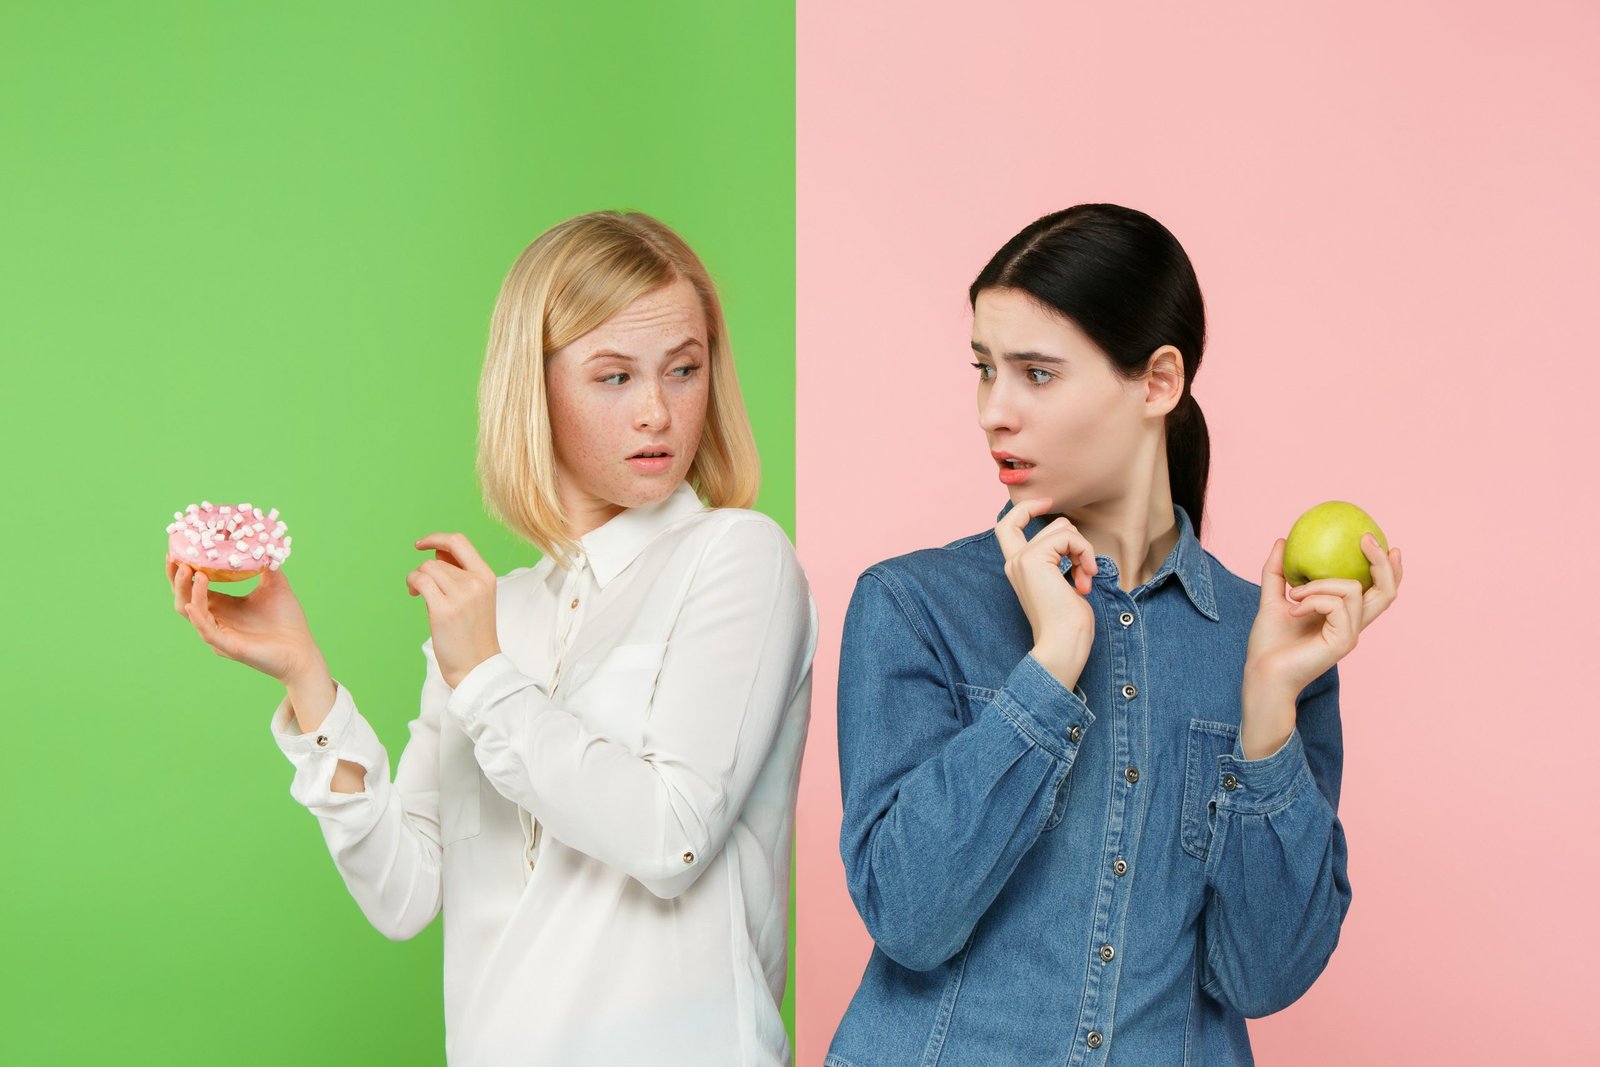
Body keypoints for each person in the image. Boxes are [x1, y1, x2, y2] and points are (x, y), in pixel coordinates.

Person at [168, 211, 817, 1066]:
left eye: (684, 369)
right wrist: (308, 682)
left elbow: (674, 835)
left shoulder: (738, 558)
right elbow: (405, 892)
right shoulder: (497, 610)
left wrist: (481, 677)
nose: (658, 410)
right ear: (533, 387)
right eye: (614, 376)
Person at [826, 203, 1403, 1066]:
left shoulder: (1268, 645)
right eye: (985, 369)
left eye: (1038, 373)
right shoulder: (914, 605)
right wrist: (1050, 668)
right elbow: (911, 916)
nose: (995, 411)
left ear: (1158, 382)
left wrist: (1269, 711)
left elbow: (1263, 976)